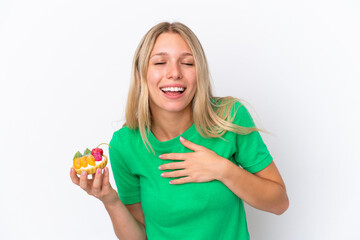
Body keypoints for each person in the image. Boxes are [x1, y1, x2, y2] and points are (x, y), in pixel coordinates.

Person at [70, 21, 289, 240]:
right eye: (160, 62)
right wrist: (110, 199)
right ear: (142, 73)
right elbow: (140, 236)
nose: (174, 73)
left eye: (187, 63)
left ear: (199, 73)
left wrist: (223, 169)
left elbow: (279, 202)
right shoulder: (125, 144)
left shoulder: (229, 117)